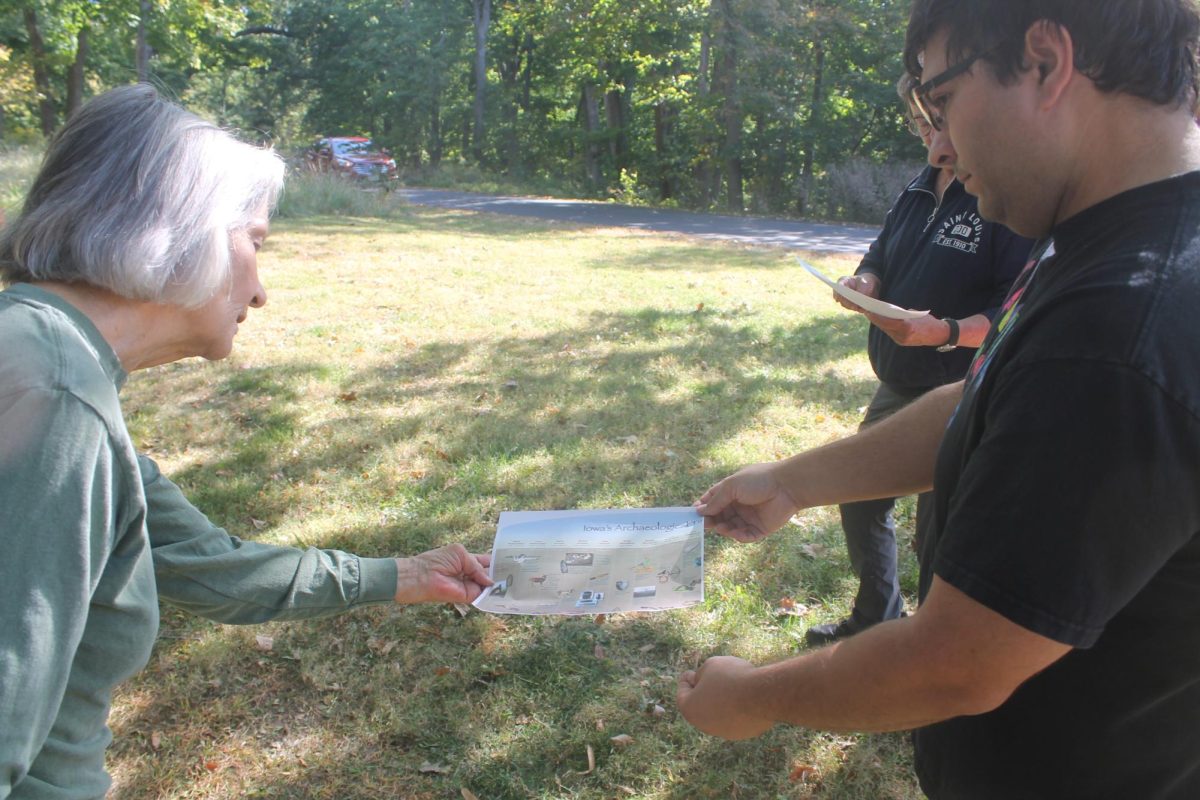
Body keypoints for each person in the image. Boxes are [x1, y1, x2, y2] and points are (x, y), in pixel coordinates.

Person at [676, 1, 1200, 796]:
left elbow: (958, 662)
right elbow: (983, 396)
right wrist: (793, 482)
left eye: (941, 98)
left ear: (1047, 61)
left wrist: (753, 696)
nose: (941, 145)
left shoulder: (1120, 326)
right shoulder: (1117, 239)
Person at [0, 85, 493, 800]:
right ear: (181, 229)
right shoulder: (55, 396)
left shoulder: (49, 359)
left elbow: (209, 567)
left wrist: (405, 576)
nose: (259, 291)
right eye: (255, 242)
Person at [807, 73, 1030, 646]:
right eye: (922, 124)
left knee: (939, 535)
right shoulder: (919, 183)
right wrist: (865, 278)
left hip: (958, 392)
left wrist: (946, 332)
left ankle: (929, 651)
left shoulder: (1002, 196)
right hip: (899, 381)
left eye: (941, 121)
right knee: (858, 499)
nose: (933, 140)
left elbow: (1014, 311)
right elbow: (881, 251)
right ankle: (876, 617)